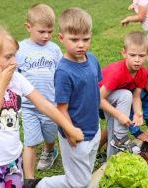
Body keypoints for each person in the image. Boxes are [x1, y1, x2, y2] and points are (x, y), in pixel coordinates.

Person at [0, 24, 83, 188]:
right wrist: (1, 85)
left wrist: (69, 128)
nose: (14, 62)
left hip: (14, 158)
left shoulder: (16, 79)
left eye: (15, 56)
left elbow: (44, 105)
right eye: (8, 57)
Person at [36, 8, 102, 188]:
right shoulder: (64, 72)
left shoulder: (93, 60)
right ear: (61, 38)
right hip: (75, 133)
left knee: (85, 173)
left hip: (93, 129)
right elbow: (62, 108)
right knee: (79, 183)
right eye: (74, 39)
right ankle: (42, 185)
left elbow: (96, 92)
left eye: (85, 39)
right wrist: (71, 132)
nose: (81, 44)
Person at [15, 4, 63, 180]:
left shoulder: (54, 49)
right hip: (29, 107)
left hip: (51, 105)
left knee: (50, 135)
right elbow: (13, 77)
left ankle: (50, 150)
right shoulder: (19, 50)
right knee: (30, 142)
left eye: (50, 31)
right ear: (28, 27)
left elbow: (60, 75)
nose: (47, 36)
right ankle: (29, 180)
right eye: (42, 31)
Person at [99, 57, 148, 150]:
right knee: (115, 128)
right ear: (147, 75)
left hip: (116, 104)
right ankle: (100, 152)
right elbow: (129, 113)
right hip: (106, 101)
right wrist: (137, 132)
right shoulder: (136, 87)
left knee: (113, 128)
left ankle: (104, 150)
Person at [99, 31, 148, 159]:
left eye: (141, 55)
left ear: (147, 54)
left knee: (113, 131)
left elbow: (136, 96)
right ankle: (120, 139)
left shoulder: (142, 73)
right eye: (132, 55)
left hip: (114, 98)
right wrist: (120, 115)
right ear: (124, 53)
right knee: (126, 95)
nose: (137, 60)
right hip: (94, 98)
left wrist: (138, 112)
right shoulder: (117, 72)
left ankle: (112, 157)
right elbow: (98, 99)